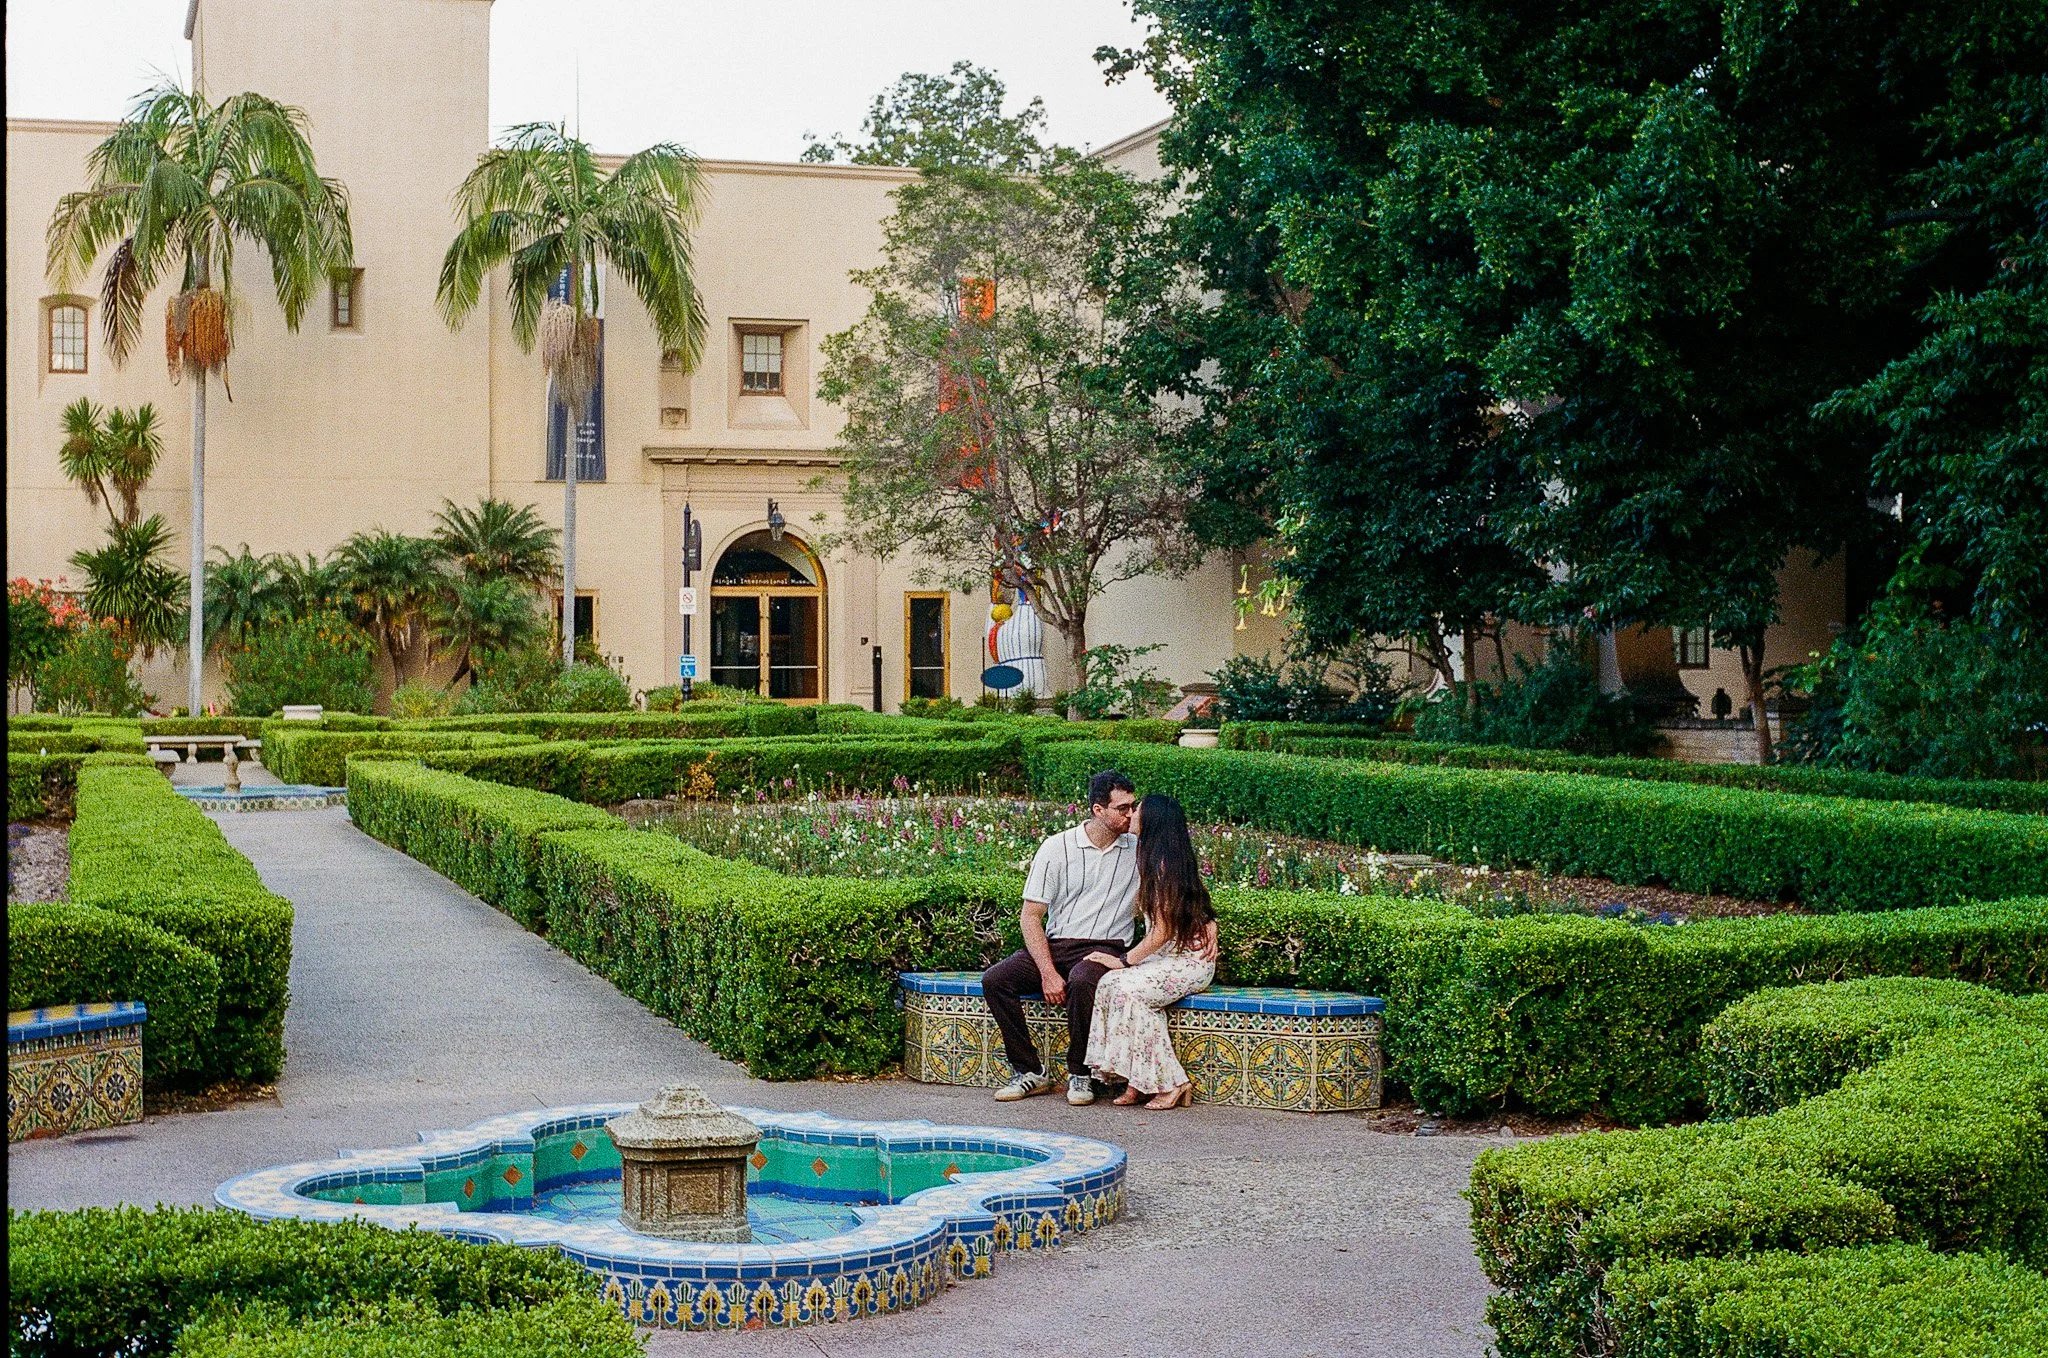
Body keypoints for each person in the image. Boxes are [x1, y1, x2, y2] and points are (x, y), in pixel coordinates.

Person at [983, 770, 1143, 1106]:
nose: (1131, 814)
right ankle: (1029, 1072)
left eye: (1133, 806)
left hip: (1106, 947)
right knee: (996, 979)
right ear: (1098, 810)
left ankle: (1080, 1074)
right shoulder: (1057, 847)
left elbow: (1178, 888)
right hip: (1058, 945)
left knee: (1083, 980)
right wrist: (1047, 972)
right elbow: (1031, 917)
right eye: (1123, 808)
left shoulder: (1138, 849)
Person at [1083, 793, 1218, 1109]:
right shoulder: (1157, 860)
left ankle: (1173, 1083)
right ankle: (1138, 1080)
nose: (1131, 814)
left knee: (1127, 990)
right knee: (1109, 984)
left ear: (1153, 821)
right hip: (1165, 959)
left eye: (1138, 810)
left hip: (1190, 962)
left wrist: (1124, 960)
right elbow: (1192, 907)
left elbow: (1162, 932)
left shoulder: (1164, 867)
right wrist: (1210, 921)